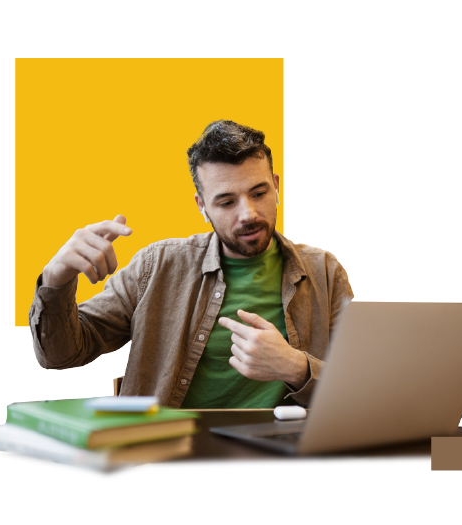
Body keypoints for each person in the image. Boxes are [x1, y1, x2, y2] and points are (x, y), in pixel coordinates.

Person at [29, 120, 353, 408]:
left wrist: (296, 367)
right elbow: (61, 353)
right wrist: (57, 280)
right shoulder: (156, 267)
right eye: (226, 201)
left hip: (285, 455)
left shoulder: (325, 273)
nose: (248, 214)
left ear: (277, 186)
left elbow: (360, 388)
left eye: (259, 193)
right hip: (170, 453)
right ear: (202, 206)